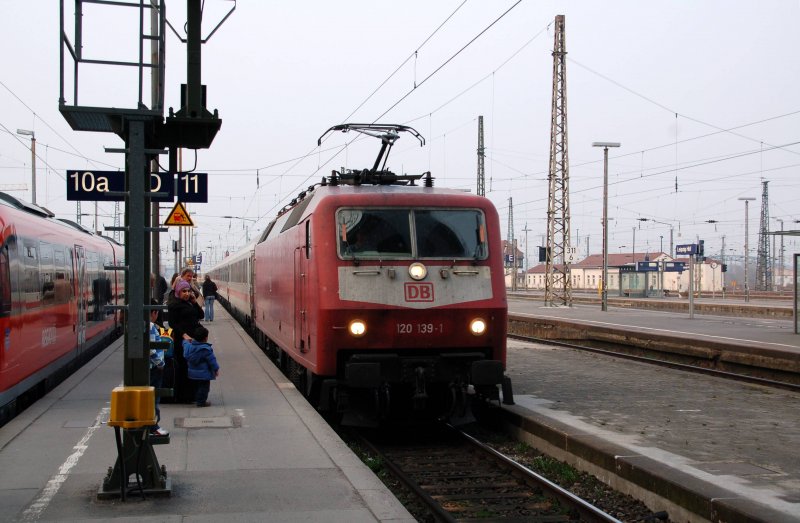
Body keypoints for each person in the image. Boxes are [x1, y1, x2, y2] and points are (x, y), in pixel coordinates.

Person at [167, 279, 204, 403]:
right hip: (182, 341)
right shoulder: (174, 305)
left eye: (188, 291)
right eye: (184, 291)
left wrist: (194, 303)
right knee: (183, 368)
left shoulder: (189, 303)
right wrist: (183, 335)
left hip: (192, 340)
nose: (187, 294)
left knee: (192, 367)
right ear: (178, 291)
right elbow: (172, 323)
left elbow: (201, 315)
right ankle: (183, 396)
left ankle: (191, 396)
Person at [182, 325, 219, 407]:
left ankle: (196, 399)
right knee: (204, 388)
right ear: (206, 338)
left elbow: (185, 344)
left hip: (192, 373)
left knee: (196, 387)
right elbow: (212, 361)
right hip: (204, 374)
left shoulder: (189, 347)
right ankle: (201, 402)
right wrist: (216, 369)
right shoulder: (206, 349)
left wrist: (186, 340)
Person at [148, 300, 169, 437]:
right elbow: (150, 348)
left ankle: (152, 425)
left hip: (152, 367)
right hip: (154, 368)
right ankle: (153, 427)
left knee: (153, 397)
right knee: (153, 398)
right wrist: (160, 363)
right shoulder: (149, 327)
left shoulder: (149, 326)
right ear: (153, 313)